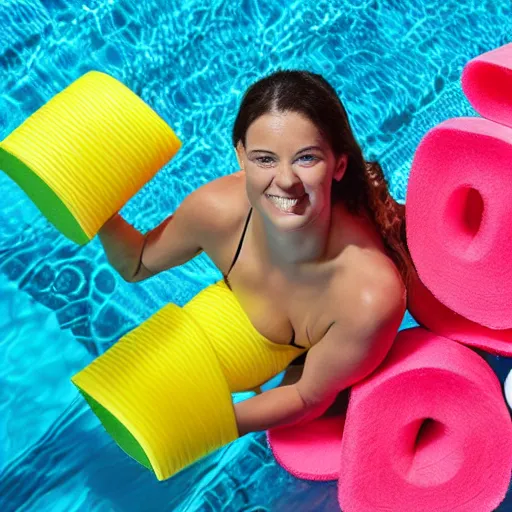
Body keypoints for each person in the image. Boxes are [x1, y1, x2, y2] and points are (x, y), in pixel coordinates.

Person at [98, 71, 409, 437]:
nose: (286, 180)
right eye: (264, 159)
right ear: (241, 157)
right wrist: (95, 205)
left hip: (329, 349)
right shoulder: (216, 212)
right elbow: (136, 263)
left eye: (306, 158)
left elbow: (309, 396)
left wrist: (207, 427)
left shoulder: (367, 297)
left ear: (338, 165)